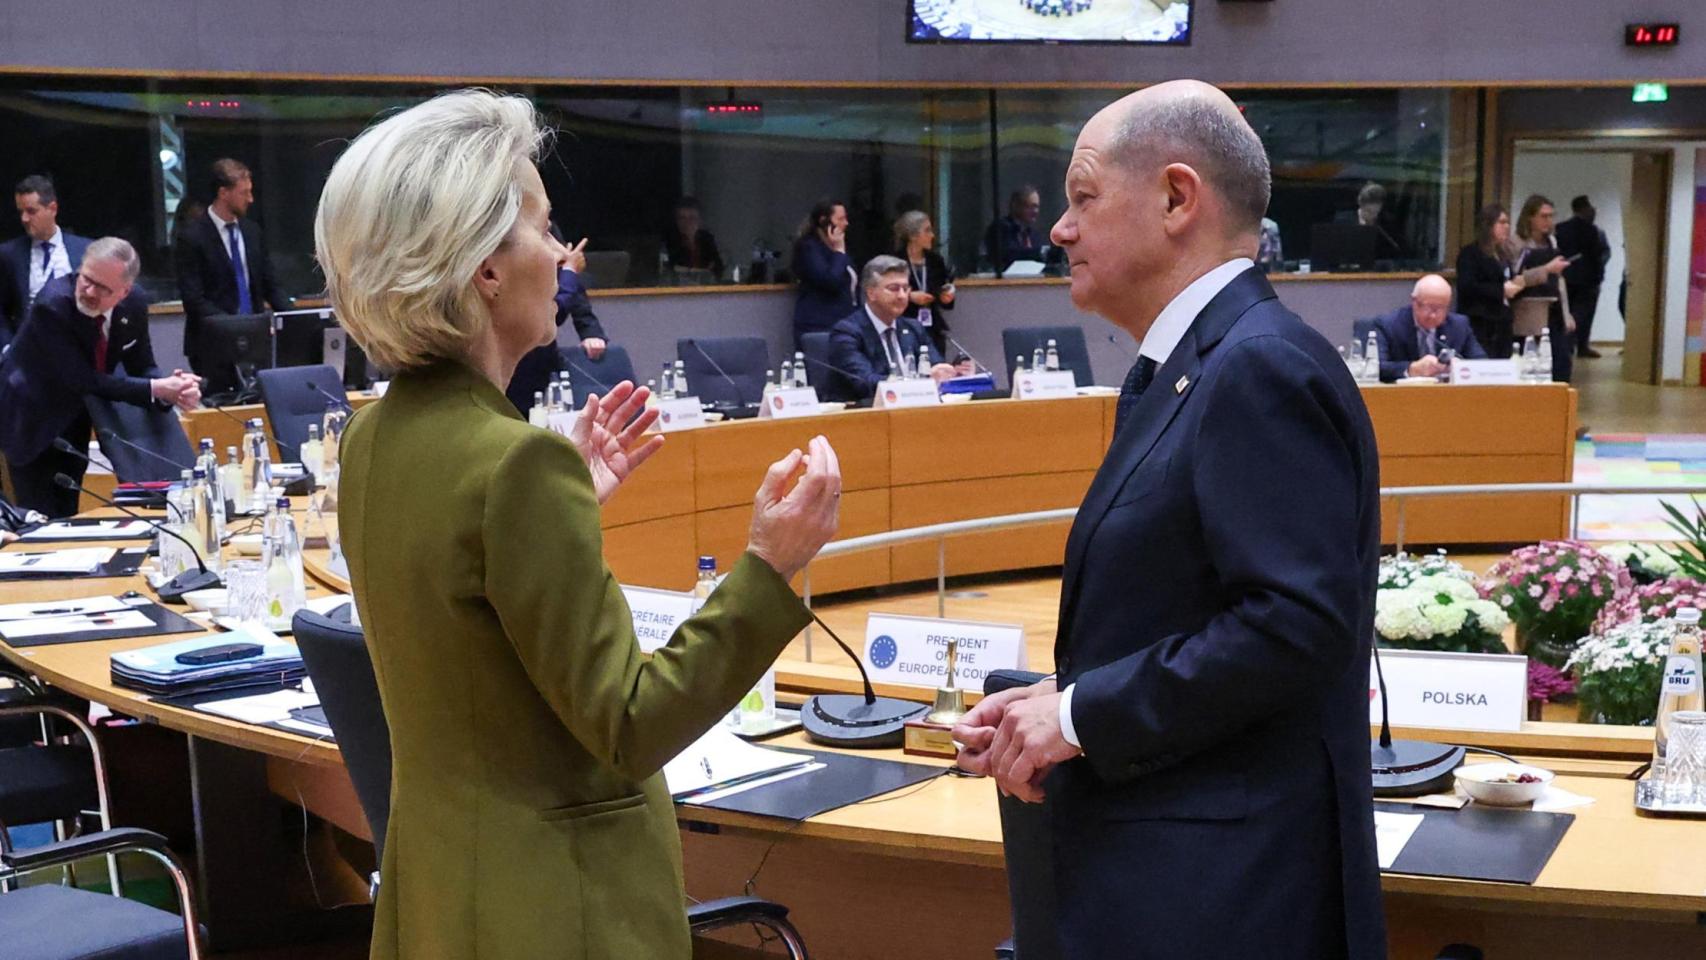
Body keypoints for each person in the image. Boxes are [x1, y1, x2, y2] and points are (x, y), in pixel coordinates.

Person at [314, 89, 842, 960]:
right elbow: (631, 724)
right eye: (545, 228)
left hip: (445, 898)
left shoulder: (375, 435)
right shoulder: (517, 466)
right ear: (484, 265)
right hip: (557, 913)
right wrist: (767, 568)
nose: (563, 256)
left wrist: (565, 511)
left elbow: (463, 610)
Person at [952, 81, 1386, 959]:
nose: (1059, 231)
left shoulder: (1255, 367)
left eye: (1082, 198)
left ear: (1177, 198)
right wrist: (1057, 702)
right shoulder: (1197, 365)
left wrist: (1079, 720)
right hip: (1178, 885)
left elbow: (1291, 628)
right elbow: (1190, 611)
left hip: (1229, 902)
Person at [0, 238, 200, 517]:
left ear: (124, 291)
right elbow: (84, 379)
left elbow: (143, 365)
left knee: (68, 512)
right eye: (87, 279)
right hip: (31, 419)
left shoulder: (134, 304)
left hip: (75, 418)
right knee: (40, 519)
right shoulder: (53, 305)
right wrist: (158, 388)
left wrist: (173, 392)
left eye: (103, 288)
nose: (90, 291)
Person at [173, 158, 285, 370]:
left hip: (255, 344)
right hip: (211, 345)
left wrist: (293, 318)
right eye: (244, 193)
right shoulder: (192, 237)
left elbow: (270, 285)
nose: (250, 199)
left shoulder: (252, 232)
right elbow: (193, 299)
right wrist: (237, 328)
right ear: (223, 193)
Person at [824, 256, 964, 404]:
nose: (902, 296)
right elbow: (866, 382)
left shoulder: (913, 328)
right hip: (864, 416)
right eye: (894, 289)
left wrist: (952, 373)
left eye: (906, 288)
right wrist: (920, 382)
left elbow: (936, 367)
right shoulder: (847, 332)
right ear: (871, 293)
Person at [505, 231, 609, 415]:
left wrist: (589, 329)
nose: (558, 248)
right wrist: (570, 271)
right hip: (513, 360)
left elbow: (566, 276)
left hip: (542, 360)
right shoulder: (508, 236)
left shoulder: (544, 219)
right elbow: (553, 313)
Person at [0, 175, 91, 349]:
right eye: (21, 212)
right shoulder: (9, 255)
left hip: (75, 346)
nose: (24, 219)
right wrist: (6, 348)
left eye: (31, 211)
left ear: (52, 209)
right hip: (28, 349)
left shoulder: (85, 250)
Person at [1370, 274, 1487, 382]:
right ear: (1414, 302)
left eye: (1441, 308)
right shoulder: (1388, 325)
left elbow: (1481, 363)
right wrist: (1412, 369)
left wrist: (1460, 366)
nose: (1433, 315)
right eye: (1429, 307)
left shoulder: (1459, 325)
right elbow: (1375, 368)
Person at [1513, 194, 1575, 382]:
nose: (1548, 221)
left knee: (1562, 360)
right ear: (1530, 217)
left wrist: (1567, 312)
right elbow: (1516, 279)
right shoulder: (1517, 243)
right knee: (1532, 361)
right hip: (1529, 310)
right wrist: (1547, 269)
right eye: (1543, 216)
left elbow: (1559, 281)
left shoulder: (1552, 242)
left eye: (1551, 216)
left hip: (1554, 308)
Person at [1454, 203, 1523, 358]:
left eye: (1508, 222)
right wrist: (1501, 291)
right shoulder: (1470, 254)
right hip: (1480, 321)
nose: (1506, 227)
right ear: (1488, 224)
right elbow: (1467, 286)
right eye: (1502, 222)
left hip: (1502, 321)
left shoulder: (1503, 253)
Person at [789, 198, 857, 346]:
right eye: (840, 219)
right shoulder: (809, 248)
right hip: (819, 324)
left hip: (844, 321)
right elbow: (830, 281)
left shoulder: (839, 247)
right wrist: (839, 252)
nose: (846, 223)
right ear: (823, 220)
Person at [1554, 195, 1612, 358]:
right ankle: (1580, 345)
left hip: (1566, 277)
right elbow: (1599, 254)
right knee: (1584, 315)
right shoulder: (1592, 231)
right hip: (1588, 280)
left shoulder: (1560, 228)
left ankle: (1569, 345)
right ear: (1584, 209)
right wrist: (1599, 273)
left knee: (1567, 312)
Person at [893, 210, 956, 356]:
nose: (932, 236)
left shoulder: (935, 260)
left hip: (932, 326)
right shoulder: (895, 261)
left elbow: (943, 293)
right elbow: (887, 292)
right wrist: (909, 296)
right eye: (927, 231)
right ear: (913, 236)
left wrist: (946, 297)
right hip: (904, 323)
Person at [983, 185, 1045, 272]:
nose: (1035, 211)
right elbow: (1008, 255)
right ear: (1016, 206)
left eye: (1036, 207)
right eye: (1029, 206)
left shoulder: (1034, 234)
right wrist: (1039, 253)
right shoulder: (1001, 229)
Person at [661, 196, 724, 279]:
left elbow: (718, 268)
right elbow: (670, 268)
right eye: (682, 218)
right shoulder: (669, 241)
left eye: (692, 218)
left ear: (700, 221)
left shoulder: (707, 239)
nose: (687, 223)